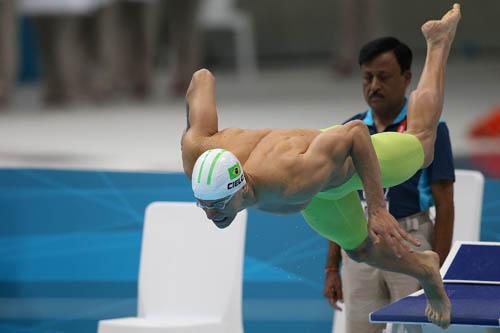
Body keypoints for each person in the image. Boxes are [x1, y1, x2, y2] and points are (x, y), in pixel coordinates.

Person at [181, 4, 461, 329]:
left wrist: (378, 208)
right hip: (318, 196)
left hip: (346, 160)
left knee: (424, 144)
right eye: (205, 205)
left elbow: (356, 132)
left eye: (217, 207)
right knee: (360, 250)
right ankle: (425, 268)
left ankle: (438, 42)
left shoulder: (292, 176)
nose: (211, 216)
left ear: (241, 186)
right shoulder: (197, 153)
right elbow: (202, 78)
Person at [323, 37, 455, 333]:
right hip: (359, 245)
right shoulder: (349, 130)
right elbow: (335, 198)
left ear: (407, 78)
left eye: (383, 77)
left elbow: (444, 201)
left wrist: (442, 267)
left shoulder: (429, 132)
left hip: (412, 242)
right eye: (367, 77)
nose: (373, 86)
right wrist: (332, 268)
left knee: (415, 329)